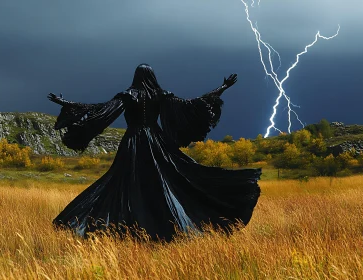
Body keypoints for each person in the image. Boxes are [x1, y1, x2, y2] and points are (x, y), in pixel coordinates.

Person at [47, 63, 261, 241]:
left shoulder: (128, 95)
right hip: (157, 142)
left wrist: (65, 103)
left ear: (136, 77)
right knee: (168, 180)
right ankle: (163, 228)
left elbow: (99, 109)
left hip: (133, 143)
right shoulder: (160, 95)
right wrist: (222, 87)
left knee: (120, 182)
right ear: (152, 76)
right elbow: (193, 104)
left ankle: (116, 227)